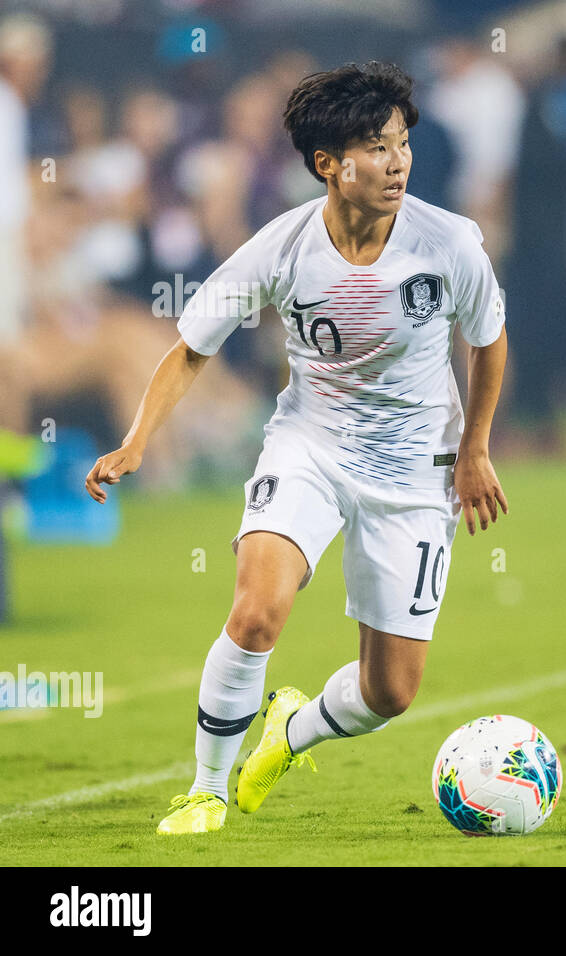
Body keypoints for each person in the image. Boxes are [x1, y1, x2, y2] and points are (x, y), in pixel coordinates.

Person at [84, 62, 510, 833]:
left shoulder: (448, 242)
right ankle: (207, 790)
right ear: (327, 165)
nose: (398, 162)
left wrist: (476, 448)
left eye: (402, 144)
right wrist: (137, 441)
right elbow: (191, 348)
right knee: (257, 612)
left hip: (418, 473)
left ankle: (293, 730)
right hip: (308, 449)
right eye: (377, 149)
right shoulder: (280, 248)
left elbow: (488, 341)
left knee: (392, 693)